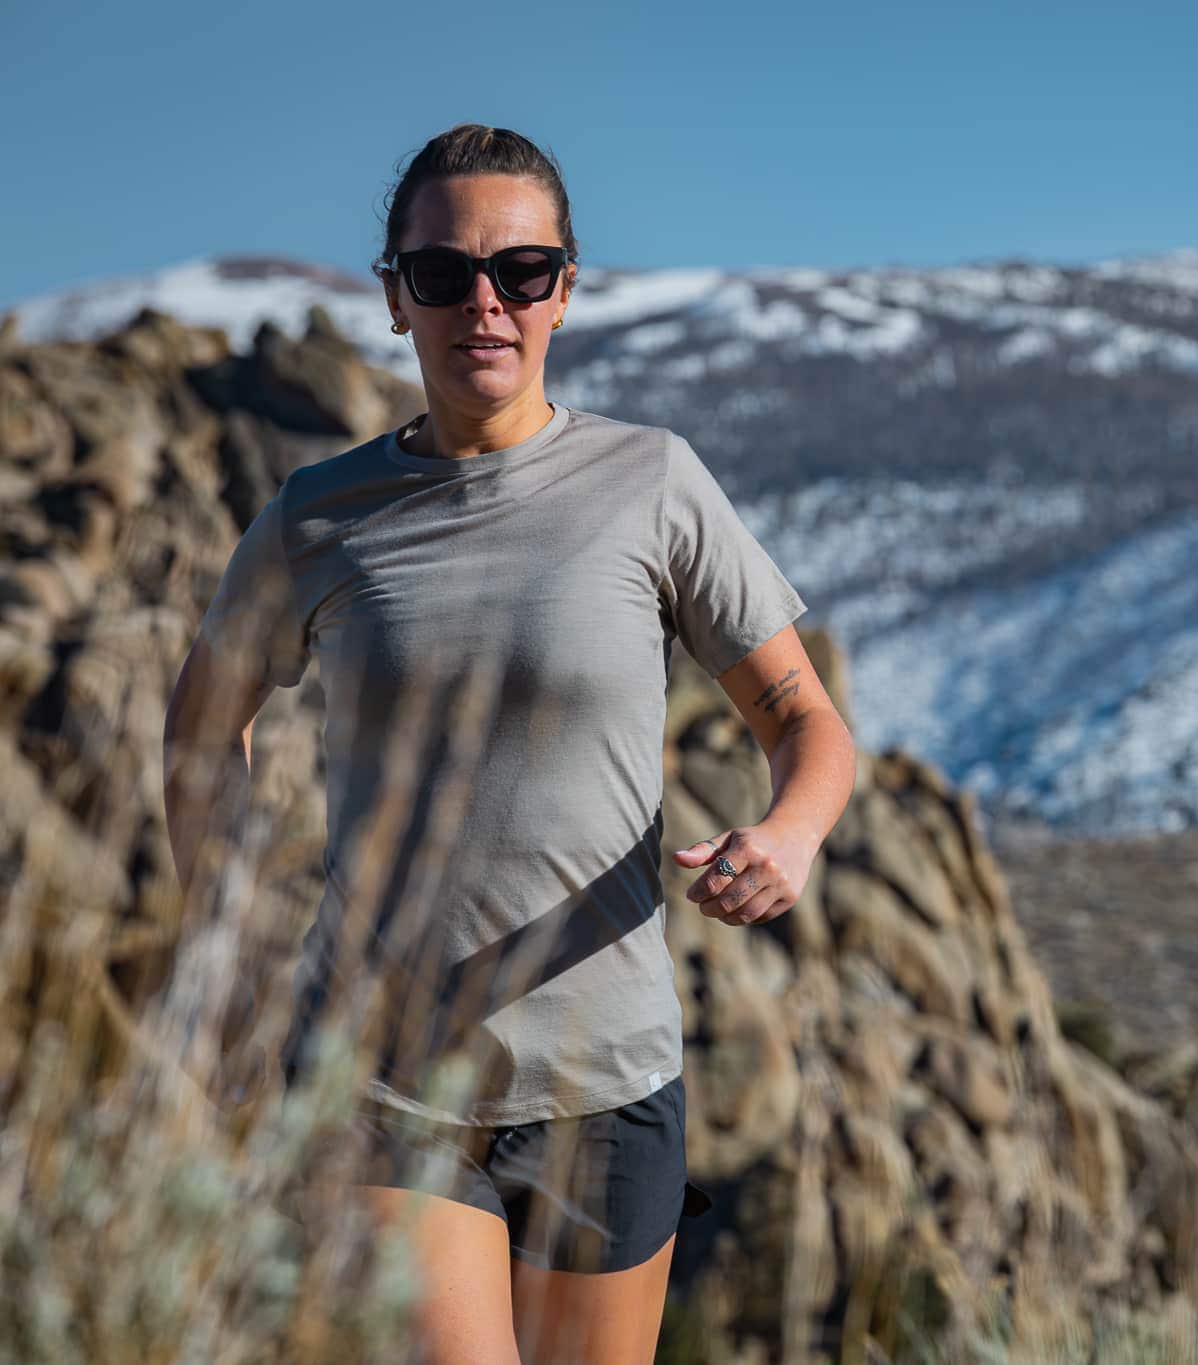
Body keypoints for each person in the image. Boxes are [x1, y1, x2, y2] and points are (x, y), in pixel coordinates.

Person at [163, 122, 856, 1365]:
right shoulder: (315, 519)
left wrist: (791, 832)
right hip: (379, 1078)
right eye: (442, 274)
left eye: (522, 272)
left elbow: (803, 721)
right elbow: (205, 730)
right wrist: (223, 936)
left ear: (564, 291)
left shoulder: (654, 483)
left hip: (608, 1071)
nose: (484, 302)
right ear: (394, 300)